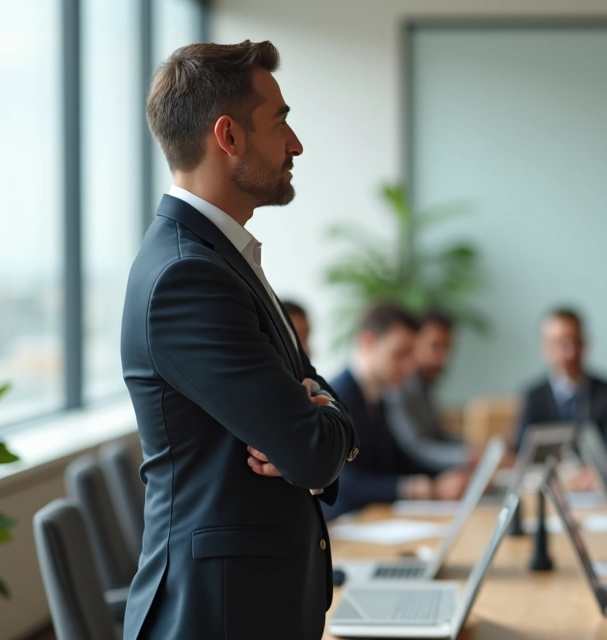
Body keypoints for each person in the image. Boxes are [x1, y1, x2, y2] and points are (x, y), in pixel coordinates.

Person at [120, 41, 359, 639]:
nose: (296, 143)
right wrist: (323, 421)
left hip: (248, 605)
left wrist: (320, 417)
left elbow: (314, 403)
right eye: (279, 121)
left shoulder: (220, 256)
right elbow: (308, 447)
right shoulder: (187, 274)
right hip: (218, 615)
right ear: (228, 137)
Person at [325, 303, 471, 519]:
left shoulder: (379, 397)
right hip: (343, 527)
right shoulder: (337, 397)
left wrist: (447, 479)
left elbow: (397, 459)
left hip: (373, 519)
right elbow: (341, 482)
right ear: (368, 343)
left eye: (411, 355)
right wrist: (423, 489)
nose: (409, 367)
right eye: (400, 353)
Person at [514, 307, 607, 452]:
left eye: (575, 342)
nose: (570, 353)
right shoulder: (533, 396)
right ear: (545, 348)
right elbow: (520, 452)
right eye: (560, 343)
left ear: (585, 343)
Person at [386, 309, 473, 473]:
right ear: (414, 342)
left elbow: (438, 435)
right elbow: (416, 447)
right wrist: (465, 456)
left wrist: (475, 449)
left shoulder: (423, 386)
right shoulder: (397, 387)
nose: (442, 358)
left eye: (447, 349)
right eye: (435, 346)